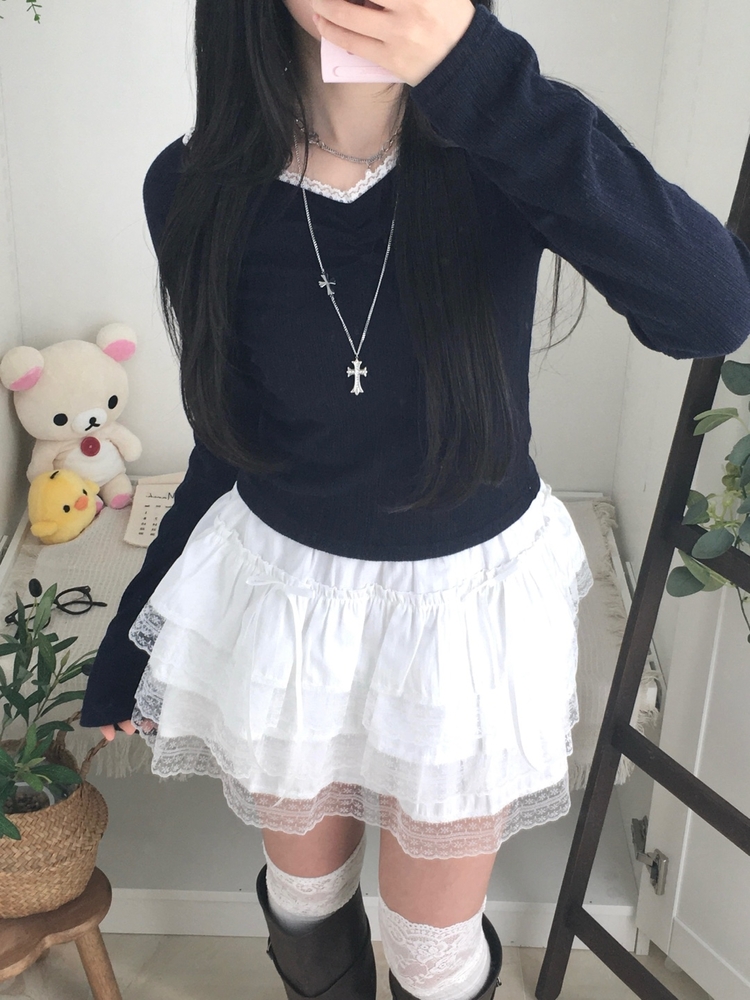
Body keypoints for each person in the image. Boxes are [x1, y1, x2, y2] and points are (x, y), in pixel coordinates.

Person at [80, 1, 750, 998]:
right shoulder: (190, 185)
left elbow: (711, 309)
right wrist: (135, 628)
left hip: (462, 614)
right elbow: (229, 441)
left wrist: (478, 72)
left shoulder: (506, 148)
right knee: (304, 902)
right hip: (286, 605)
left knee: (432, 946)